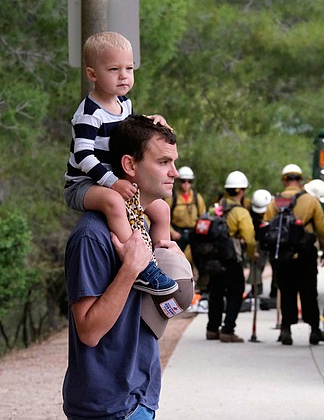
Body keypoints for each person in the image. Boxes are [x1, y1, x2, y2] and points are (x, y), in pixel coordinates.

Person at [63, 114, 182, 419]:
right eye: (163, 162)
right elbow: (88, 331)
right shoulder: (92, 236)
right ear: (129, 165)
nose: (175, 172)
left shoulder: (139, 223)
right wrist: (130, 270)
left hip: (140, 398)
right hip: (109, 408)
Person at [63, 31, 176, 296]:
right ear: (92, 75)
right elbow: (83, 157)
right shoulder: (88, 114)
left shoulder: (124, 104)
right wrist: (113, 182)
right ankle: (141, 266)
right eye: (114, 69)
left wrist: (153, 119)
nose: (124, 75)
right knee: (114, 203)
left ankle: (161, 251)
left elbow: (131, 131)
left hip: (110, 180)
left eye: (129, 68)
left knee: (161, 209)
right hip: (84, 184)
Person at [263, 164, 324, 345]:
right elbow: (321, 230)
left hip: (283, 256)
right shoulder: (310, 200)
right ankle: (314, 331)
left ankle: (286, 330)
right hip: (305, 253)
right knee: (309, 291)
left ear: (284, 180)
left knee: (287, 292)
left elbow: (267, 228)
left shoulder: (274, 202)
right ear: (300, 181)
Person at [206, 171, 257, 343]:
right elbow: (249, 238)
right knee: (236, 292)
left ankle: (212, 329)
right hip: (231, 259)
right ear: (241, 191)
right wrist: (252, 254)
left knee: (216, 292)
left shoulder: (215, 207)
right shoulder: (240, 212)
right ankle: (228, 330)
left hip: (213, 258)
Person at [168, 166, 207, 253]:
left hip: (193, 233)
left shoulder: (197, 197)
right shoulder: (172, 198)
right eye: (183, 181)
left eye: (189, 181)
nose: (186, 184)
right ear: (178, 182)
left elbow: (203, 217)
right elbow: (164, 218)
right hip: (177, 234)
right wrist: (172, 232)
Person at [244, 189, 272, 300]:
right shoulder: (250, 211)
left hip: (274, 240)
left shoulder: (275, 209)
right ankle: (256, 288)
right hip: (258, 241)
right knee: (256, 265)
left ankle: (275, 290)